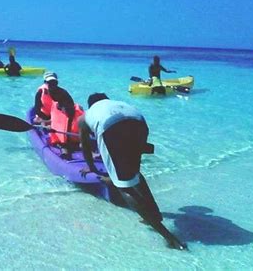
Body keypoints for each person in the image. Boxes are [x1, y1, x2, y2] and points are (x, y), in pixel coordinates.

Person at [78, 93, 187, 250]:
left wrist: (93, 168)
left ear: (90, 105)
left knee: (124, 187)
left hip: (110, 127)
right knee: (134, 172)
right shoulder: (118, 103)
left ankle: (169, 237)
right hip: (139, 122)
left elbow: (86, 147)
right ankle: (155, 213)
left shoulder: (85, 116)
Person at [48, 88, 84, 160]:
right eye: (66, 109)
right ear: (62, 109)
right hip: (61, 142)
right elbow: (54, 121)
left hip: (76, 140)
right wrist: (48, 125)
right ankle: (65, 154)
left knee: (83, 144)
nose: (69, 111)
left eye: (70, 108)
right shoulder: (57, 110)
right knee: (64, 149)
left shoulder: (79, 113)